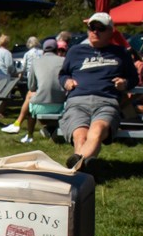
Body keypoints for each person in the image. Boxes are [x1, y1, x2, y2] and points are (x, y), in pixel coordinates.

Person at [58, 12, 138, 170]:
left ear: (110, 32)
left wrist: (125, 83)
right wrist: (66, 82)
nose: (95, 31)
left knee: (97, 130)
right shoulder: (75, 51)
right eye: (92, 27)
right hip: (77, 100)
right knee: (80, 136)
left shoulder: (122, 53)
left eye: (100, 28)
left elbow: (134, 78)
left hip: (106, 101)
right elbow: (63, 74)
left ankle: (76, 169)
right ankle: (85, 166)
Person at [17, 38, 68, 143]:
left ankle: (29, 134)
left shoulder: (36, 63)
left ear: (43, 51)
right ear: (57, 50)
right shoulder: (64, 61)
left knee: (30, 98)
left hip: (40, 106)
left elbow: (31, 86)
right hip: (61, 105)